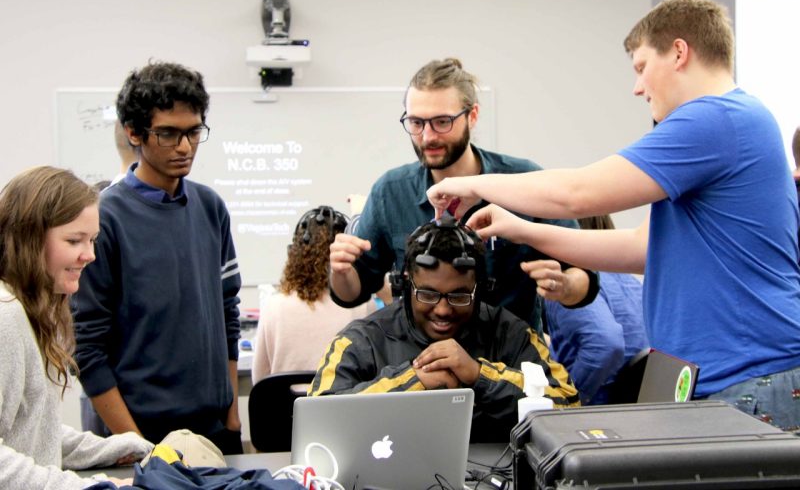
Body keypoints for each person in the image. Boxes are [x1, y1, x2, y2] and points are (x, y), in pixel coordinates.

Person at [427, 0, 800, 430]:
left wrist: (471, 182)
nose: (637, 87)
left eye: (641, 67)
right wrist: (523, 228)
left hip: (750, 379)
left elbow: (578, 193)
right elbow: (639, 248)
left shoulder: (717, 119)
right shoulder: (735, 122)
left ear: (679, 52)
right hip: (728, 380)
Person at [329, 58, 598, 334]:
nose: (428, 136)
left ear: (473, 115)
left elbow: (585, 277)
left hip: (510, 365)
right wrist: (341, 271)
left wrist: (565, 286)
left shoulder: (523, 180)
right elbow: (353, 291)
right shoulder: (391, 191)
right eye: (416, 122)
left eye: (442, 122)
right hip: (419, 367)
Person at [72, 61, 245, 452]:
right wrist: (134, 446)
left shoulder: (210, 207)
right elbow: (87, 348)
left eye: (193, 132)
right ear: (134, 133)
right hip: (140, 438)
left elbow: (227, 312)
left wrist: (232, 417)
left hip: (216, 432)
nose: (184, 147)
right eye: (168, 134)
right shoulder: (105, 218)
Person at [311, 216, 579, 443]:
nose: (442, 310)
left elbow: (568, 406)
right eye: (427, 294)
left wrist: (479, 375)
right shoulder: (363, 339)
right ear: (405, 284)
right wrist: (413, 381)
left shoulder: (511, 334)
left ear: (480, 289)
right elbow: (318, 419)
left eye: (459, 296)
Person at [0, 166, 152, 489]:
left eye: (92, 240)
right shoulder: (5, 316)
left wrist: (117, 446)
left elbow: (33, 430)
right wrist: (87, 486)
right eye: (74, 241)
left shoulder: (28, 310)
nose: (90, 255)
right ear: (29, 238)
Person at [251, 206, 375, 384]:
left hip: (287, 410)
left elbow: (259, 381)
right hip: (340, 409)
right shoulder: (363, 305)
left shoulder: (274, 306)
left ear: (294, 252)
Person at [543, 215, 649, 405]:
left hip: (599, 413)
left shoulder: (567, 288)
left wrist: (569, 402)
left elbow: (605, 344)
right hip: (640, 409)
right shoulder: (628, 280)